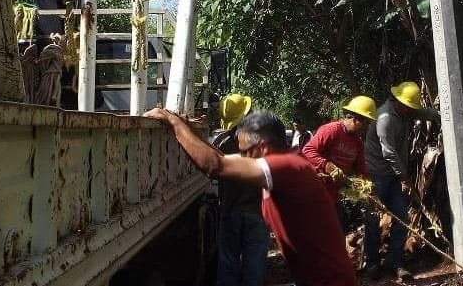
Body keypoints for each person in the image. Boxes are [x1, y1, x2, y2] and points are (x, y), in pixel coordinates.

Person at [144, 107, 358, 286]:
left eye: (245, 151)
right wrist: (187, 128)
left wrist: (174, 122)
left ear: (262, 147)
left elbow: (215, 165)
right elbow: (223, 158)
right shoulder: (288, 163)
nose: (242, 157)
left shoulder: (286, 166)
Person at [364, 81, 440, 281]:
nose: (410, 110)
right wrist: (405, 178)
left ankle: (394, 261)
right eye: (408, 106)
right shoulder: (385, 118)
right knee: (373, 220)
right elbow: (389, 153)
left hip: (393, 176)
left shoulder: (404, 111)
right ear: (398, 101)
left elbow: (423, 113)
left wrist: (441, 115)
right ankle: (372, 264)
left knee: (402, 217)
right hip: (376, 175)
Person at [211, 94, 268, 286]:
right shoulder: (262, 142)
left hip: (230, 209)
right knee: (255, 265)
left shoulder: (221, 142)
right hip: (256, 210)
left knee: (228, 264)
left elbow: (212, 171)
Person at [302, 96, 377, 206]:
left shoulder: (358, 142)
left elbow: (361, 169)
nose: (367, 128)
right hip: (315, 190)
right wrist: (328, 166)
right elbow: (308, 149)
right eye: (366, 123)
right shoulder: (332, 130)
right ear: (355, 119)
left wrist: (368, 190)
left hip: (334, 195)